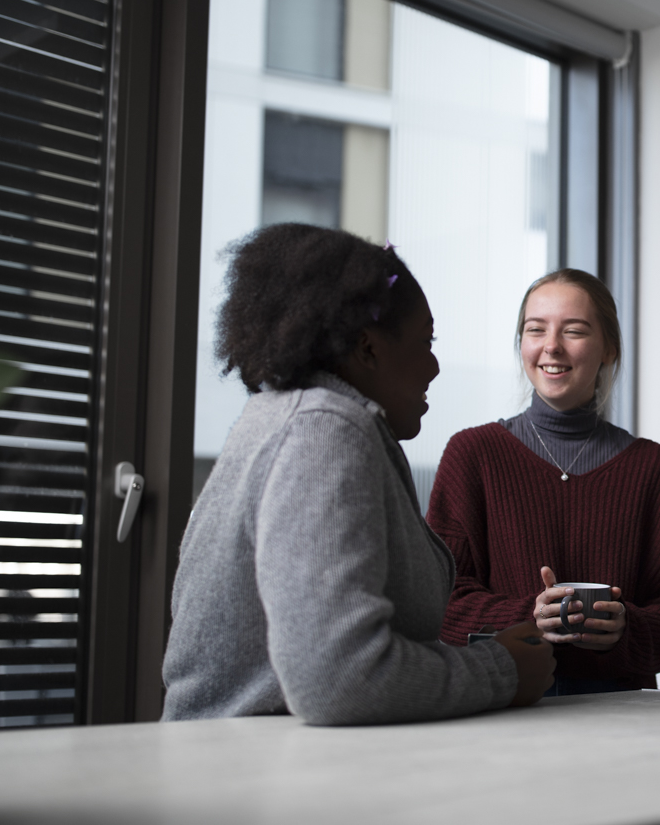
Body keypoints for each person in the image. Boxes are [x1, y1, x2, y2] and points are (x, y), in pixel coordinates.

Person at [162, 224, 554, 724]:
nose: (434, 366)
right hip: (248, 782)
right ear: (369, 349)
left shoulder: (301, 420)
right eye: (425, 341)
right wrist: (502, 669)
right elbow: (339, 681)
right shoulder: (322, 432)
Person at [427, 269, 660, 694]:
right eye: (535, 329)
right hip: (505, 707)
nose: (551, 346)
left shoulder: (655, 467)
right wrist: (529, 616)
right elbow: (438, 598)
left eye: (574, 331)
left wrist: (626, 628)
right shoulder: (472, 455)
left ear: (609, 349)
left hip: (626, 716)